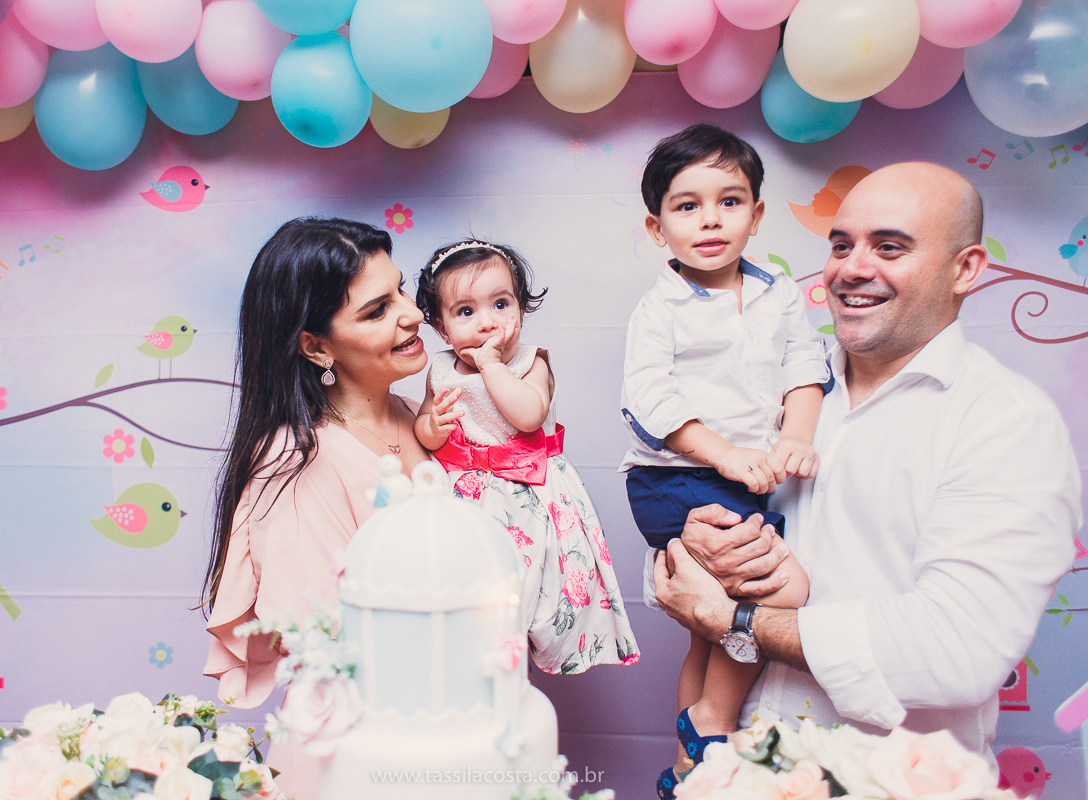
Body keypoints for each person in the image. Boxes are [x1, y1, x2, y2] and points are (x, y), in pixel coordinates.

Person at [652, 162, 1082, 768]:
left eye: (889, 247)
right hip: (730, 769)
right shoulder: (767, 389)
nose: (851, 268)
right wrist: (692, 544)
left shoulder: (1006, 422)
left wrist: (737, 620)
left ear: (966, 269)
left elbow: (954, 649)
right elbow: (686, 535)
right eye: (840, 244)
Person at [619, 125, 830, 796]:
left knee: (709, 635)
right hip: (674, 479)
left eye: (729, 201)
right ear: (657, 229)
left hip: (745, 472)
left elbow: (806, 365)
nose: (710, 219)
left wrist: (796, 435)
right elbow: (653, 402)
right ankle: (713, 718)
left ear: (757, 215)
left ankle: (691, 764)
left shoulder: (781, 293)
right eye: (687, 206)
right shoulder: (660, 310)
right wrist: (731, 455)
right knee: (784, 590)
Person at [202, 217, 432, 798]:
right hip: (355, 752)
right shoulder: (294, 459)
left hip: (436, 724)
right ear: (315, 346)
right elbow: (324, 641)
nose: (411, 314)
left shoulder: (413, 414)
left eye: (401, 289)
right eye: (377, 310)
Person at [413, 239, 639, 675]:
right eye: (465, 312)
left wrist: (491, 366)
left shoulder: (530, 363)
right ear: (441, 329)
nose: (487, 323)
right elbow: (426, 426)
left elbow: (530, 416)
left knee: (537, 593)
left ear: (521, 309)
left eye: (500, 304)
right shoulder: (440, 370)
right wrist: (434, 426)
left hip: (531, 494)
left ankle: (521, 666)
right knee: (474, 604)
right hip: (468, 495)